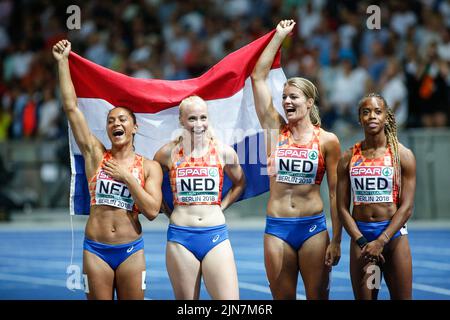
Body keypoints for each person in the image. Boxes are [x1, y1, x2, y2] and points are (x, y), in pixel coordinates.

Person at [53, 40, 163, 300]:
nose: (116, 123)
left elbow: (151, 211)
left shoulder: (149, 167)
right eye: (111, 120)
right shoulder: (96, 155)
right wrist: (62, 62)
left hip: (131, 251)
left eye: (122, 119)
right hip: (96, 249)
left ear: (134, 128)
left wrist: (127, 178)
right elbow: (71, 109)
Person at [250, 20, 342, 300]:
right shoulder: (274, 130)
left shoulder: (328, 140)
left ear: (310, 102)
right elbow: (257, 76)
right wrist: (278, 37)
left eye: (294, 97)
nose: (287, 102)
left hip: (313, 227)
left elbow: (336, 193)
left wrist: (337, 239)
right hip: (277, 227)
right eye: (284, 97)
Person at [153, 95, 245, 300]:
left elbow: (240, 183)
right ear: (181, 120)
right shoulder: (167, 153)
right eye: (192, 118)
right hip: (180, 238)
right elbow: (151, 185)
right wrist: (167, 210)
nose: (198, 124)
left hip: (216, 235)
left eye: (203, 117)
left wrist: (221, 206)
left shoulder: (224, 152)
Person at [336, 93, 416, 300]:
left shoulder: (402, 155)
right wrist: (362, 241)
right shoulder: (348, 157)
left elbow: (406, 207)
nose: (372, 116)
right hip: (362, 238)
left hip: (393, 238)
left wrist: (382, 240)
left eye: (377, 112)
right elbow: (342, 208)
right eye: (366, 112)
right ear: (359, 118)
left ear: (386, 117)